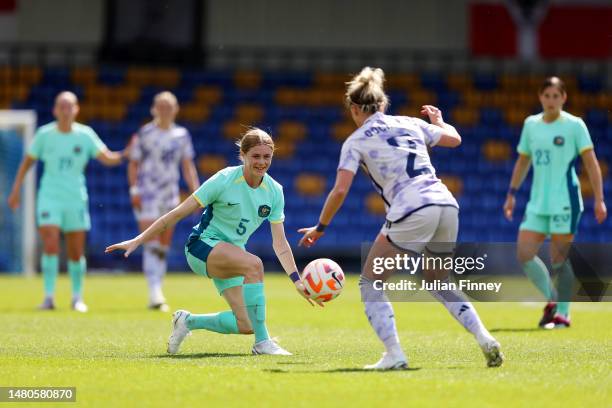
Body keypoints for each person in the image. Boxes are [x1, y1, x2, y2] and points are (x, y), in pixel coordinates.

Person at [298, 67, 503, 370]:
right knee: (439, 280)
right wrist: (439, 121)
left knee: (370, 282)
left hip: (411, 208)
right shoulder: (409, 123)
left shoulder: (355, 141)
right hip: (446, 204)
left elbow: (340, 190)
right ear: (383, 104)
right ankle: (485, 338)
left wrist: (321, 226)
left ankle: (394, 354)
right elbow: (455, 139)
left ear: (354, 109)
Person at [106, 128, 318, 355]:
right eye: (256, 156)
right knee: (254, 264)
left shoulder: (275, 191)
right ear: (243, 155)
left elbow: (280, 242)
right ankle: (262, 343)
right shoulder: (224, 179)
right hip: (201, 247)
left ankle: (187, 321)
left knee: (245, 324)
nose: (262, 162)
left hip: (232, 254)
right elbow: (177, 213)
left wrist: (296, 280)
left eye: (267, 157)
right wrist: (138, 240)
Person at [7, 91, 126, 312]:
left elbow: (107, 157)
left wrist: (125, 153)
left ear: (76, 109)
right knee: (50, 244)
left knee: (75, 251)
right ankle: (49, 297)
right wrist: (15, 190)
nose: (65, 110)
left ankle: (76, 297)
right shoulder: (44, 134)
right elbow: (27, 162)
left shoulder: (85, 134)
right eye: (61, 106)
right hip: (49, 198)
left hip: (75, 199)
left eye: (69, 106)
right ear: (55, 110)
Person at [503, 76, 607, 328]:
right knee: (524, 253)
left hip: (566, 202)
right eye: (546, 96)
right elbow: (523, 161)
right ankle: (552, 299)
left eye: (556, 96)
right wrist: (511, 193)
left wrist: (599, 199)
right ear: (540, 97)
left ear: (564, 98)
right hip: (538, 203)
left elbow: (591, 164)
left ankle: (563, 313)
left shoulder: (575, 126)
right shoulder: (531, 124)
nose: (551, 101)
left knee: (559, 258)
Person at [128, 91, 200, 311]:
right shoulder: (145, 133)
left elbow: (187, 165)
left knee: (164, 243)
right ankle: (154, 292)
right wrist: (134, 191)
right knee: (150, 240)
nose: (165, 110)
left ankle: (157, 286)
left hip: (169, 194)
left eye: (169, 106)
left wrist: (196, 192)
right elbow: (133, 163)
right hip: (148, 193)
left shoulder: (181, 135)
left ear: (175, 109)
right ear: (154, 109)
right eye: (161, 106)